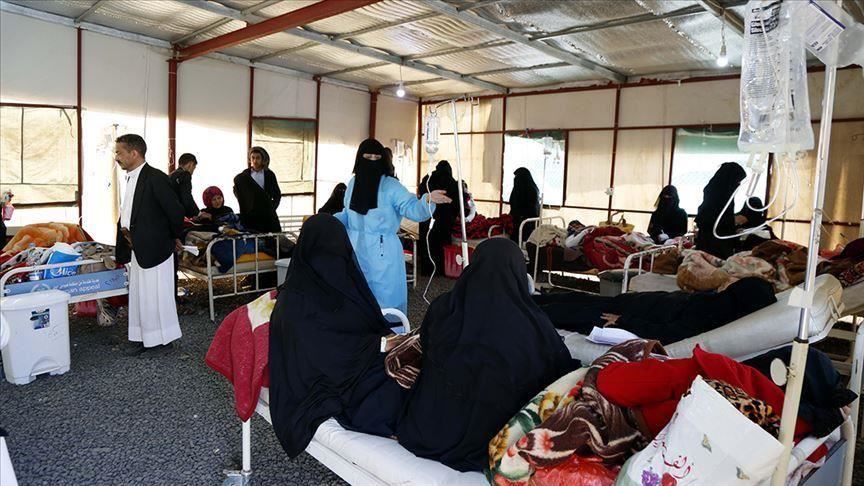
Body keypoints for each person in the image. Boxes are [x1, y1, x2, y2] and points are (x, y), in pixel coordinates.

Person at [397, 238, 578, 471]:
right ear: (518, 272)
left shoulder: (444, 308)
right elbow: (557, 370)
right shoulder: (533, 324)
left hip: (432, 424)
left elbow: (427, 346)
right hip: (493, 438)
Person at [269, 214, 407, 458]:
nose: (334, 257)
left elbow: (366, 321)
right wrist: (379, 344)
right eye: (327, 250)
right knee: (397, 391)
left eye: (338, 249)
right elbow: (318, 351)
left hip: (358, 363)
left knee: (416, 369)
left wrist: (391, 341)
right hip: (328, 379)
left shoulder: (343, 281)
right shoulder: (295, 301)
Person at [335, 139, 450, 314]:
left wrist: (427, 200)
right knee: (357, 298)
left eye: (376, 157)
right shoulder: (353, 183)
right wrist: (325, 222)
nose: (372, 161)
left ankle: (391, 330)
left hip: (383, 254)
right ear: (359, 159)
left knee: (385, 302)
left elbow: (412, 208)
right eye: (368, 157)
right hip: (356, 251)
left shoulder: (391, 186)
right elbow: (347, 214)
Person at [533, 277, 776, 344]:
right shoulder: (719, 304)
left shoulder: (711, 317)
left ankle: (523, 309)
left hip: (626, 316)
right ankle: (529, 298)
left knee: (566, 311)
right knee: (576, 299)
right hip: (636, 304)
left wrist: (624, 321)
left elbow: (667, 334)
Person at [113, 134, 184, 355]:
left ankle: (162, 341)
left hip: (156, 248)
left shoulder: (156, 177)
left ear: (134, 153)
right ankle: (143, 337)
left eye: (119, 152)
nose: (116, 157)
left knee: (157, 296)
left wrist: (173, 238)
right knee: (140, 295)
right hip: (137, 246)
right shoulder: (131, 177)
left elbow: (175, 212)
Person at [694, 162, 746, 259]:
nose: (738, 185)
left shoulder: (721, 191)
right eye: (737, 181)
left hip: (717, 241)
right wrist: (733, 220)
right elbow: (711, 219)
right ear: (730, 179)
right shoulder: (718, 194)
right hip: (713, 244)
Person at [417, 160, 461, 275]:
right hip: (444, 220)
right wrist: (453, 216)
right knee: (442, 244)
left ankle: (427, 269)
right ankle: (441, 270)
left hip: (427, 217)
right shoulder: (452, 182)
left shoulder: (428, 179)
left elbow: (421, 195)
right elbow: (457, 203)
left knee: (427, 242)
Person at [233, 146, 282, 233]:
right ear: (250, 159)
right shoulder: (244, 176)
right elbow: (237, 190)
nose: (255, 161)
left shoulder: (269, 174)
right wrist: (247, 205)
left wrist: (272, 208)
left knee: (270, 237)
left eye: (258, 158)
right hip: (251, 216)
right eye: (253, 158)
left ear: (263, 159)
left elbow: (277, 194)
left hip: (267, 215)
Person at [508, 167, 540, 244]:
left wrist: (517, 216)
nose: (515, 179)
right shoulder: (527, 188)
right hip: (524, 222)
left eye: (517, 176)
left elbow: (529, 208)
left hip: (525, 223)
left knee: (516, 240)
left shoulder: (529, 190)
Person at [169, 153, 200, 219]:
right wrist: (198, 213)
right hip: (175, 215)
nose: (192, 172)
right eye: (194, 168)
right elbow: (186, 197)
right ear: (190, 164)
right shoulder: (185, 174)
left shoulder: (171, 175)